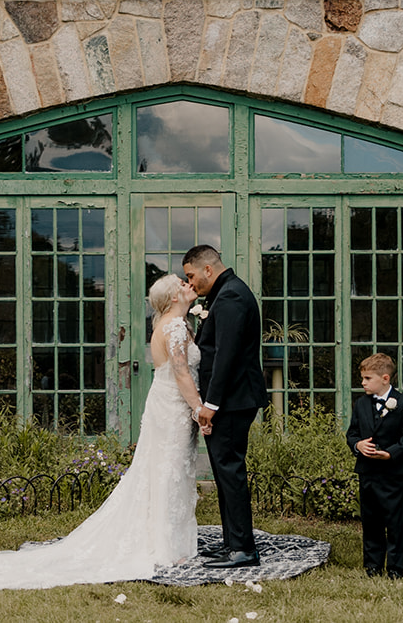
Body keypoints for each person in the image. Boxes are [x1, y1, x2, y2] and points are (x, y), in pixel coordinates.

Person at [0, 274, 203, 589]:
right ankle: (166, 544)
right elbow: (180, 370)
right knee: (167, 471)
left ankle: (166, 539)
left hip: (164, 404)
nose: (186, 285)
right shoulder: (174, 326)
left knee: (163, 471)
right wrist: (199, 407)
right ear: (173, 297)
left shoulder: (165, 324)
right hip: (174, 404)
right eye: (181, 283)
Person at [183, 244, 267, 569]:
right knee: (224, 473)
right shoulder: (224, 292)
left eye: (191, 276)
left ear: (208, 268)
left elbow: (226, 355)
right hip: (231, 400)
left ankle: (244, 550)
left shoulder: (231, 295)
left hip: (232, 401)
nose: (190, 284)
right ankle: (232, 543)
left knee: (230, 472)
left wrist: (211, 404)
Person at [346, 352, 403, 579]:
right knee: (370, 520)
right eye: (363, 378)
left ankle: (396, 567)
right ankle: (373, 565)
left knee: (394, 521)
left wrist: (390, 454)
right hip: (367, 472)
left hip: (391, 472)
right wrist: (358, 445)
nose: (363, 382)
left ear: (385, 379)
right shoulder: (361, 404)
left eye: (368, 378)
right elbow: (352, 433)